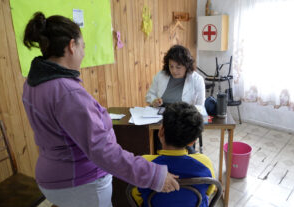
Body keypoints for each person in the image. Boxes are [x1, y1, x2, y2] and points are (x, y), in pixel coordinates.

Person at [22, 12, 179, 207]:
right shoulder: (67, 93)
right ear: (72, 46)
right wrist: (154, 175)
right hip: (80, 182)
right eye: (83, 46)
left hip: (52, 176)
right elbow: (104, 152)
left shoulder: (33, 82)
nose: (83, 53)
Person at [132, 102, 215, 207]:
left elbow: (136, 194)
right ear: (192, 141)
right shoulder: (205, 162)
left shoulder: (144, 163)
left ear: (161, 132)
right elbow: (209, 190)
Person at [146, 45, 206, 153]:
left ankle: (186, 157)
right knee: (160, 147)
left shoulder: (197, 80)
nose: (174, 70)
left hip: (184, 120)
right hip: (162, 117)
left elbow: (200, 107)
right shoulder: (161, 75)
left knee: (181, 148)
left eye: (178, 67)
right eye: (171, 66)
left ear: (187, 66)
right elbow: (150, 95)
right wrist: (154, 101)